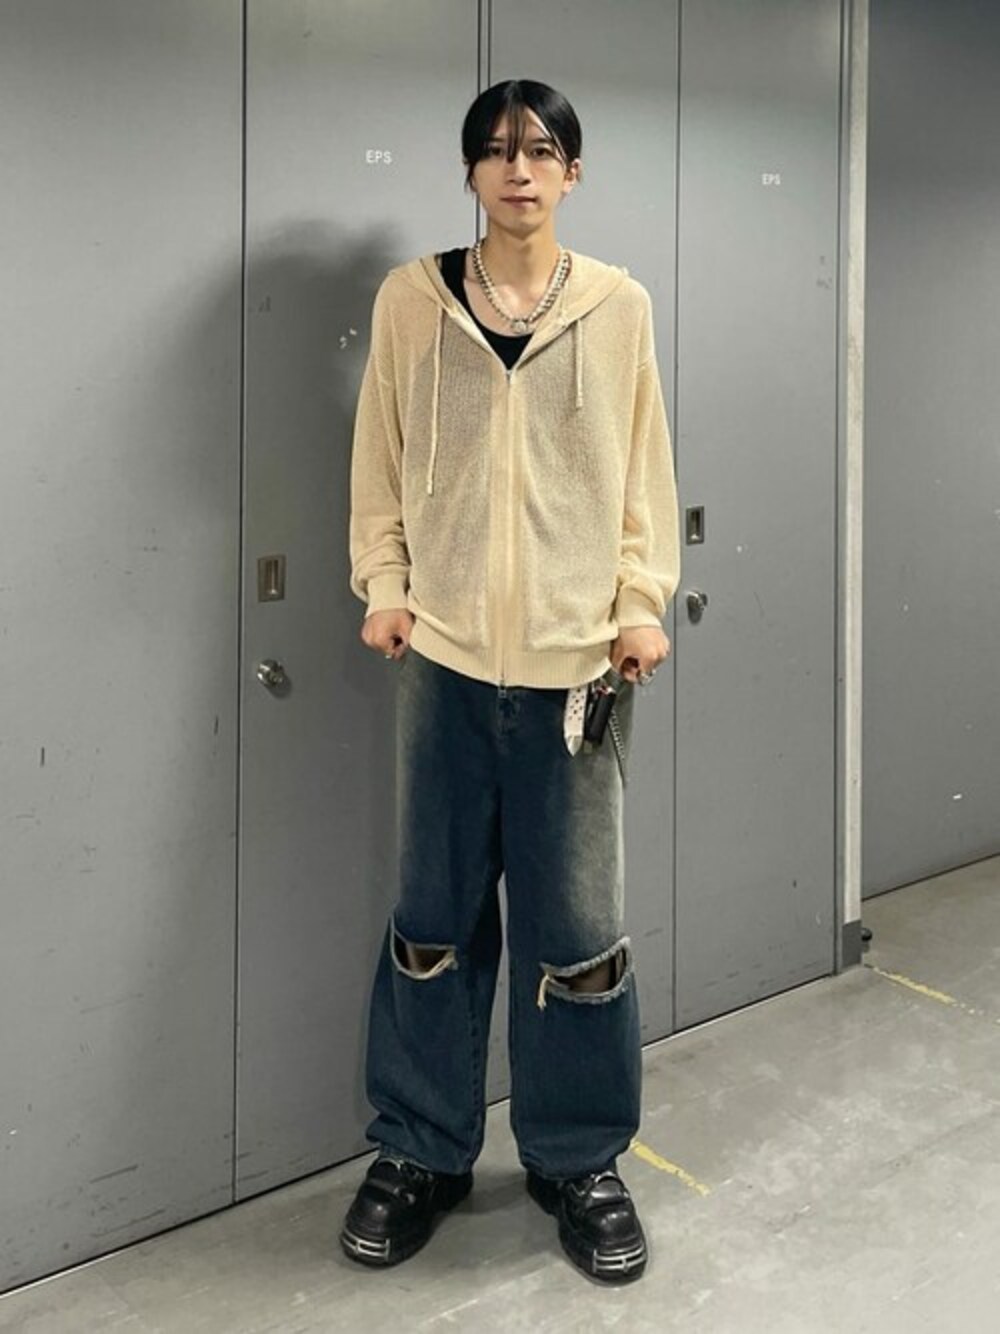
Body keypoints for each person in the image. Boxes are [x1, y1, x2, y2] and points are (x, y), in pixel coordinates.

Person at [342, 78, 679, 1284]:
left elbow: (642, 467)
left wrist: (638, 601)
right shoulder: (412, 300)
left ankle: (577, 1158)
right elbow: (379, 452)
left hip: (574, 671)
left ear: (571, 173)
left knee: (577, 935)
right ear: (471, 174)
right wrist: (385, 579)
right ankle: (420, 1149)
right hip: (440, 661)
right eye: (495, 151)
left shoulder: (617, 307)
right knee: (432, 923)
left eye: (540, 151)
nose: (518, 169)